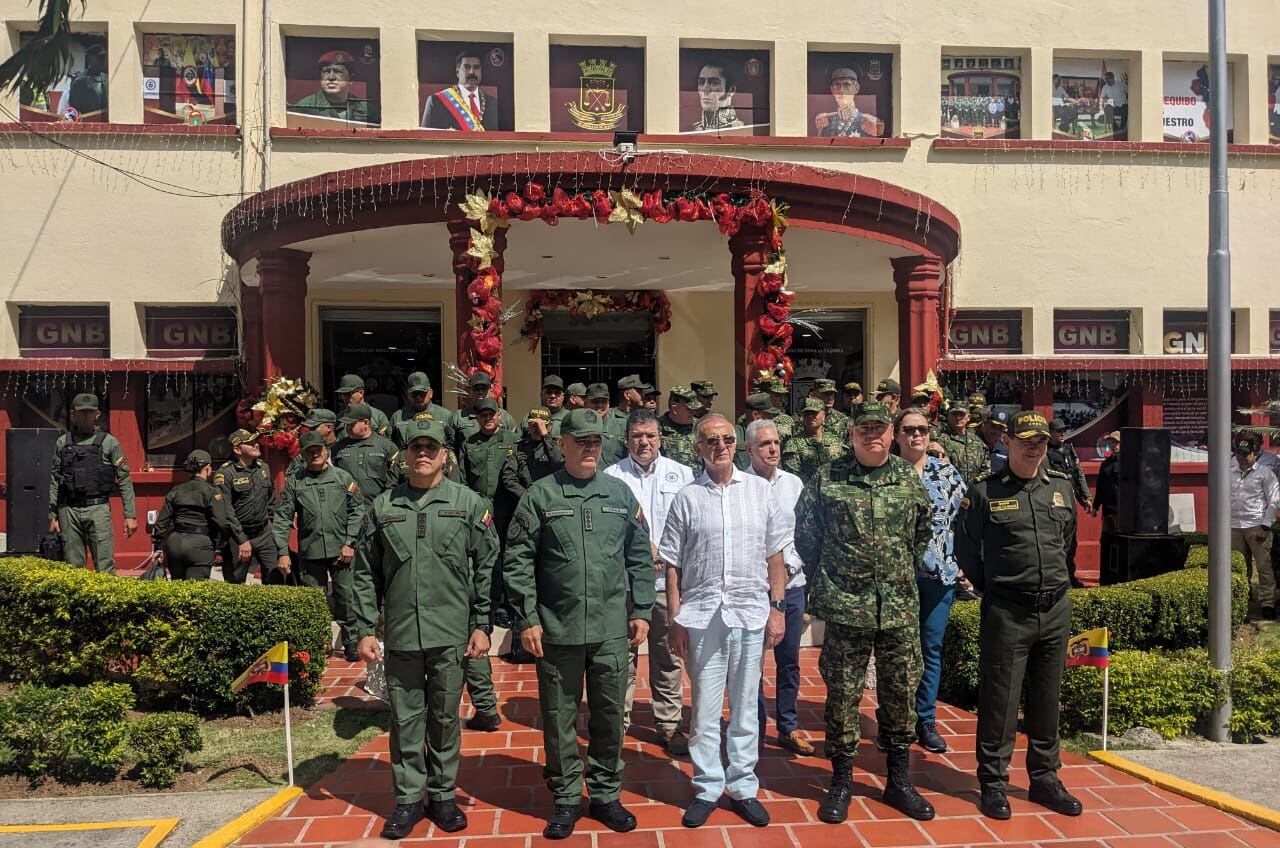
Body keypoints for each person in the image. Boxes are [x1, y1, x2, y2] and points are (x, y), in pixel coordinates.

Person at [502, 408, 654, 839]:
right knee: (558, 716)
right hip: (558, 629)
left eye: (595, 442)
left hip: (610, 631)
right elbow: (516, 562)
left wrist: (641, 610)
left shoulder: (619, 495)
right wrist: (526, 619)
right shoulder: (540, 496)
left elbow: (640, 557)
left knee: (608, 717)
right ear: (563, 443)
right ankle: (567, 797)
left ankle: (605, 794)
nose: (590, 448)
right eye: (581, 441)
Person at [351, 419, 498, 839]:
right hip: (401, 633)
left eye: (431, 448)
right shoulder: (383, 507)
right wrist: (363, 629)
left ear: (445, 456)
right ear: (403, 455)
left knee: (445, 719)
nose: (422, 454)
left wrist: (482, 623)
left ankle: (444, 796)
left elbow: (488, 565)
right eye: (415, 447)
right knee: (405, 719)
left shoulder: (470, 504)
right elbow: (364, 573)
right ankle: (409, 800)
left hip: (451, 632)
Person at [795, 402, 935, 824]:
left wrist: (893, 572)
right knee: (842, 696)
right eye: (864, 428)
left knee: (900, 695)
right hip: (845, 605)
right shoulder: (827, 477)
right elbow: (807, 536)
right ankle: (840, 781)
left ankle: (898, 779)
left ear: (891, 434)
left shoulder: (907, 478)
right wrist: (839, 576)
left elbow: (921, 533)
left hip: (897, 607)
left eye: (880, 428)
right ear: (851, 433)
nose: (873, 434)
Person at [660, 413, 789, 829]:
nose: (720, 446)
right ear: (697, 448)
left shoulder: (760, 492)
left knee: (746, 706)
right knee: (704, 711)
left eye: (727, 439)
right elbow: (673, 564)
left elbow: (775, 555)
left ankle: (743, 785)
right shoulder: (686, 498)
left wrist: (777, 607)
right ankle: (707, 785)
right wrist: (676, 618)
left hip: (751, 611)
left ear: (737, 445)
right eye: (710, 440)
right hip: (702, 616)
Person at [953, 410, 1084, 822]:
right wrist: (993, 586)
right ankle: (993, 782)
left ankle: (1045, 778)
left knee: (1047, 699)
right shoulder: (985, 492)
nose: (1034, 447)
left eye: (1041, 441)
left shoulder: (1060, 488)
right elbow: (966, 548)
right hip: (1008, 610)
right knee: (1000, 701)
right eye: (1026, 440)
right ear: (1006, 441)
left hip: (1055, 609)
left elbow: (1068, 547)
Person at [604, 409, 694, 753]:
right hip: (623, 584)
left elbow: (690, 525)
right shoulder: (611, 477)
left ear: (660, 439)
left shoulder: (682, 475)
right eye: (637, 436)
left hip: (665, 585)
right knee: (620, 657)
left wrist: (667, 552)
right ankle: (618, 724)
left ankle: (669, 725)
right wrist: (640, 547)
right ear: (627, 440)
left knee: (668, 656)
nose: (644, 442)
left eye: (650, 436)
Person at [894, 409, 966, 754]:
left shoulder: (947, 473)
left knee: (930, 650)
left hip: (938, 577)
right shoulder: (885, 473)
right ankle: (895, 721)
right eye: (909, 430)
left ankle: (925, 720)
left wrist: (963, 563)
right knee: (895, 651)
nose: (916, 436)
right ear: (897, 435)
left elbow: (963, 520)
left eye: (922, 429)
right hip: (896, 578)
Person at [745, 419, 813, 755]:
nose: (773, 449)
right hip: (754, 588)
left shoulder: (794, 483)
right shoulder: (740, 484)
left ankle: (788, 726)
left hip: (792, 583)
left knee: (789, 660)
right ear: (749, 450)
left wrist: (788, 568)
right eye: (764, 444)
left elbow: (803, 535)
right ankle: (754, 728)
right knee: (751, 663)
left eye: (776, 443)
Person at [273, 431, 366, 661]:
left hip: (341, 550)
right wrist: (283, 551)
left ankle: (351, 641)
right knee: (315, 599)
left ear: (326, 451)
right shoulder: (295, 482)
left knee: (346, 596)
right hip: (311, 550)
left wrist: (350, 543)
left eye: (318, 449)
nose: (314, 454)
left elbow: (357, 511)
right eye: (309, 451)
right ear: (303, 455)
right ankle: (319, 642)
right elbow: (283, 517)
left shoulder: (344, 478)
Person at [459, 396, 519, 728]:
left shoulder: (512, 442)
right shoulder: (468, 444)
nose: (487, 419)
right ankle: (491, 608)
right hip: (479, 508)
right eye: (481, 415)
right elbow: (465, 479)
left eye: (491, 414)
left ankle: (505, 608)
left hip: (507, 506)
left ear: (499, 416)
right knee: (485, 564)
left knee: (505, 562)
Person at [48, 393, 137, 573]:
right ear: (73, 414)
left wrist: (130, 515)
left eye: (90, 412)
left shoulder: (109, 443)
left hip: (98, 509)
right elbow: (55, 479)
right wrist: (52, 515)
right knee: (73, 569)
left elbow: (125, 479)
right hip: (69, 511)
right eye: (82, 413)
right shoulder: (62, 443)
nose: (86, 416)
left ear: (97, 414)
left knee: (105, 567)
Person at [153, 449, 237, 581]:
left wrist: (158, 547)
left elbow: (161, 523)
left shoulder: (176, 491)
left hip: (175, 543)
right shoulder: (212, 492)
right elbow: (221, 522)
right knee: (196, 593)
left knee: (178, 591)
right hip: (200, 544)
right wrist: (219, 545)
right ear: (208, 468)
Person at [212, 429, 277, 584]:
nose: (256, 445)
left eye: (256, 441)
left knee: (276, 577)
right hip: (238, 535)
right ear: (237, 449)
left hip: (263, 533)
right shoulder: (225, 474)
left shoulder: (264, 468)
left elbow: (271, 501)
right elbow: (225, 511)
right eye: (250, 443)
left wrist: (277, 530)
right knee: (235, 582)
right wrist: (241, 540)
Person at [1229, 436, 1280, 619]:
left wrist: (1265, 526)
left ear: (1255, 454)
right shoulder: (1228, 470)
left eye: (1245, 454)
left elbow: (1274, 501)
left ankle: (1267, 602)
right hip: (1233, 526)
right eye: (1238, 453)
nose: (1241, 457)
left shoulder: (1265, 473)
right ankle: (1242, 599)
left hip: (1256, 525)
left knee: (1264, 567)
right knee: (1238, 567)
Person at [1046, 419, 1092, 588]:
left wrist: (1086, 498)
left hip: (1071, 503)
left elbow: (1078, 475)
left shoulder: (1069, 450)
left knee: (1071, 542)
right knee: (1057, 542)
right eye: (1058, 431)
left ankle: (1069, 575)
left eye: (1064, 430)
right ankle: (1058, 579)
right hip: (1055, 504)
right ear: (1050, 433)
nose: (1062, 434)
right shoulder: (1046, 452)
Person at [333, 404, 402, 500]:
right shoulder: (338, 448)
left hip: (377, 506)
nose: (347, 427)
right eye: (346, 424)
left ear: (366, 422)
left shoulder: (387, 447)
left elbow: (394, 481)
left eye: (351, 424)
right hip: (348, 508)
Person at [421, 49, 502, 131]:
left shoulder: (494, 104)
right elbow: (426, 139)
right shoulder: (436, 101)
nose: (471, 72)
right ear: (457, 71)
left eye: (476, 68)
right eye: (466, 67)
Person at [290, 50, 379, 124]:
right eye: (326, 71)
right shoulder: (305, 107)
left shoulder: (366, 109)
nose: (331, 77)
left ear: (351, 79)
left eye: (338, 72)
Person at [782, 397, 849, 485]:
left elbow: (845, 467)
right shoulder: (793, 444)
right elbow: (794, 476)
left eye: (814, 413)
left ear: (824, 415)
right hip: (808, 493)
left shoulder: (835, 441)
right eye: (807, 413)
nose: (810, 416)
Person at [390, 372, 457, 449]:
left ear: (430, 393)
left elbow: (453, 446)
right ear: (408, 395)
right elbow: (390, 446)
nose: (418, 397)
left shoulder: (445, 416)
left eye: (422, 394)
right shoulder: (398, 416)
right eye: (414, 394)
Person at [815, 66, 884, 137]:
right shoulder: (825, 122)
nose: (841, 90)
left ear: (856, 88)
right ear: (832, 90)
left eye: (846, 85)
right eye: (837, 85)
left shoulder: (869, 123)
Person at [937, 403, 989, 483]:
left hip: (974, 492)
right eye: (954, 414)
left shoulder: (977, 441)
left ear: (968, 417)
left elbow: (986, 469)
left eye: (961, 414)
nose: (958, 418)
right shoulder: (941, 440)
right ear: (948, 416)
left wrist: (976, 486)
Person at [458, 372, 517, 438]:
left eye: (484, 388)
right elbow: (450, 446)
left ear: (491, 390)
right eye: (476, 389)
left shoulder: (505, 417)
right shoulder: (459, 417)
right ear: (470, 391)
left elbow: (515, 442)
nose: (480, 392)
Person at [659, 385, 704, 470]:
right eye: (690, 409)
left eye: (695, 409)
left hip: (697, 481)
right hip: (668, 480)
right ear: (675, 409)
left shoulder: (701, 427)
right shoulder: (657, 428)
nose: (694, 413)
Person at [691, 62, 744, 132]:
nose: (705, 89)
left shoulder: (740, 129)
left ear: (731, 90)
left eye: (714, 83)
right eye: (701, 83)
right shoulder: (695, 129)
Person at [335, 374, 391, 439]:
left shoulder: (378, 416)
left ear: (361, 393)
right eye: (343, 394)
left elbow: (385, 444)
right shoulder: (340, 417)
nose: (345, 398)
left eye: (348, 394)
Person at [1091, 431, 1122, 534]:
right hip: (1107, 510)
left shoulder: (1128, 462)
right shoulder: (1105, 464)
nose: (1114, 445)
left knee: (1120, 540)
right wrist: (1095, 506)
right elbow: (1100, 487)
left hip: (1122, 511)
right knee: (1106, 539)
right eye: (1111, 443)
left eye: (1117, 442)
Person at [66, 43, 108, 117]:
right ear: (89, 60)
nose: (103, 60)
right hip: (87, 124)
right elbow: (73, 111)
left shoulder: (107, 79)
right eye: (99, 57)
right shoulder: (80, 82)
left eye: (104, 57)